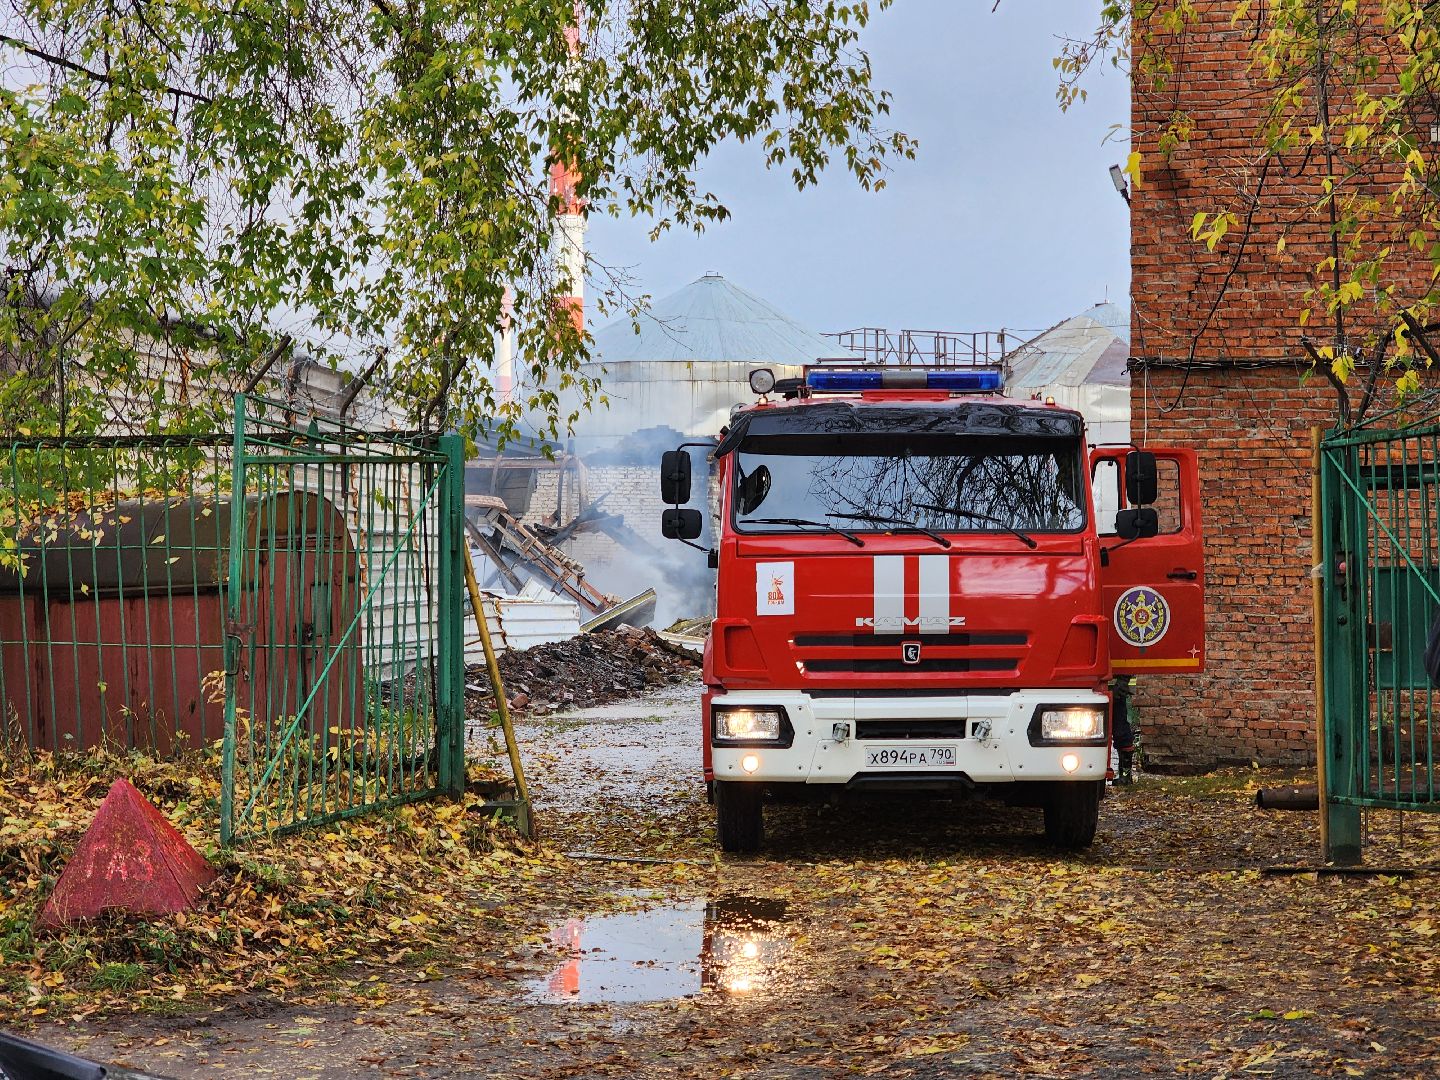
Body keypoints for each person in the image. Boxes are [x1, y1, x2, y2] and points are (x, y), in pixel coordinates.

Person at [1112, 676, 1136, 784]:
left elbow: (1127, 660)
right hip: (1092, 690)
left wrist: (1123, 681)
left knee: (1121, 732)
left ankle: (1125, 776)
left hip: (1117, 692)